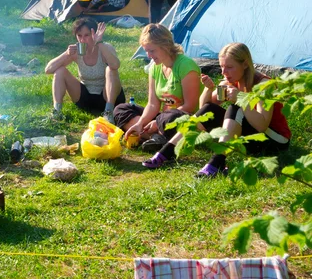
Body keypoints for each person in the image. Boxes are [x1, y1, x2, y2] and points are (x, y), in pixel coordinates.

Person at [142, 43, 291, 177]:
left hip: (274, 140)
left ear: (245, 64)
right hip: (252, 136)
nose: (224, 72)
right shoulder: (229, 80)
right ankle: (167, 152)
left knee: (235, 108)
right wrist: (209, 89)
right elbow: (206, 109)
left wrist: (240, 98)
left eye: (229, 67)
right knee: (211, 110)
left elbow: (262, 125)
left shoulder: (263, 84)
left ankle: (217, 161)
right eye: (222, 67)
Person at [114, 24, 201, 152]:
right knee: (121, 109)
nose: (149, 56)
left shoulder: (186, 66)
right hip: (164, 119)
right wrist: (140, 123)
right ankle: (156, 137)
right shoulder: (155, 67)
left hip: (183, 119)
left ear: (165, 46)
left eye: (152, 51)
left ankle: (156, 137)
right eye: (146, 51)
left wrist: (158, 121)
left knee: (171, 117)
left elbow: (190, 106)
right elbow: (153, 104)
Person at [45, 18, 125, 123]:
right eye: (79, 36)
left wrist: (99, 43)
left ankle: (108, 112)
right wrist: (66, 54)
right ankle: (57, 111)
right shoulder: (76, 51)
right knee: (60, 71)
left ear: (94, 34)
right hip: (85, 97)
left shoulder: (105, 47)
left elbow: (115, 65)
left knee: (110, 69)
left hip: (106, 97)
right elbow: (48, 69)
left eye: (87, 35)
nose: (82, 40)